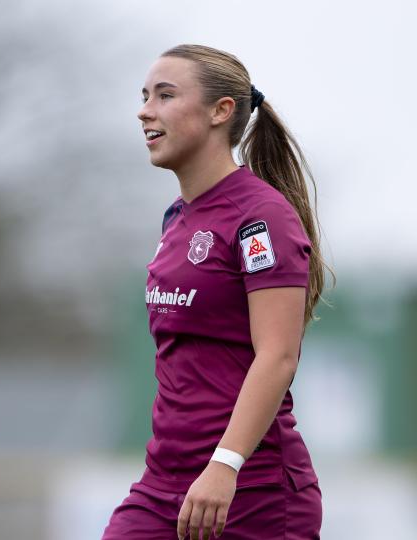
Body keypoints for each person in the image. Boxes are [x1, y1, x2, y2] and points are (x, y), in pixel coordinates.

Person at [102, 45, 331, 540]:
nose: (145, 110)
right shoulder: (176, 218)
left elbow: (278, 356)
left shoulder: (259, 218)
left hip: (251, 491)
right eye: (144, 96)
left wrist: (225, 465)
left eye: (165, 95)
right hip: (165, 484)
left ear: (220, 111)